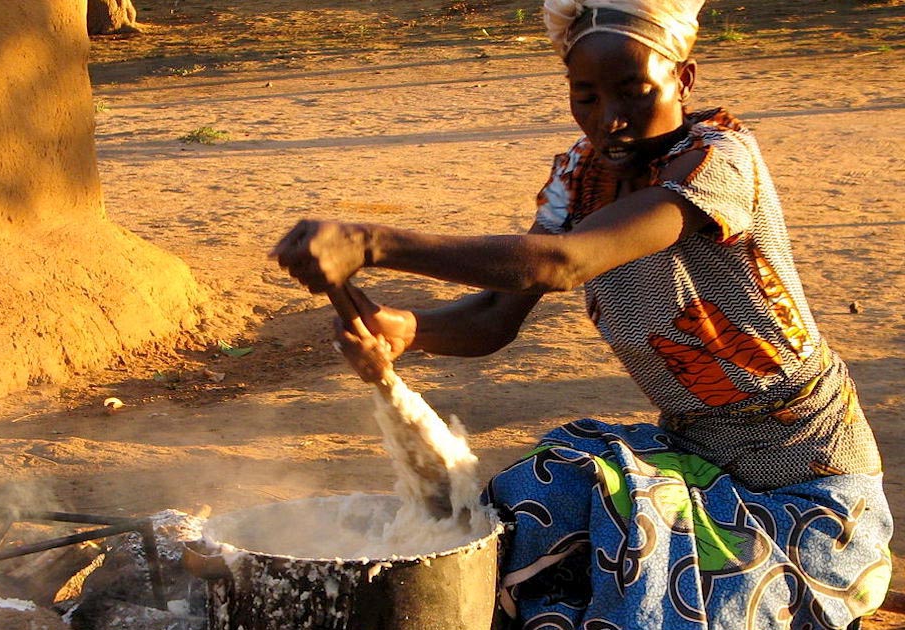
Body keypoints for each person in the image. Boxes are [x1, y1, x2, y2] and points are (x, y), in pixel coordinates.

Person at [271, 0, 892, 627]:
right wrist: (406, 331)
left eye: (634, 91)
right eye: (586, 96)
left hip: (802, 481)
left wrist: (377, 244)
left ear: (685, 78)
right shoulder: (578, 176)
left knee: (655, 589)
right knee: (511, 515)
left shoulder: (717, 164)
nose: (610, 120)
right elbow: (494, 317)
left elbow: (562, 262)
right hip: (692, 451)